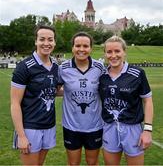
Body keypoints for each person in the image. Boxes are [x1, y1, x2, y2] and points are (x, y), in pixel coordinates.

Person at [99, 35, 153, 165]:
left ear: (124, 52)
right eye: (109, 52)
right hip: (109, 127)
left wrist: (147, 130)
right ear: (105, 54)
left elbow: (148, 101)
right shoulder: (101, 77)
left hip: (132, 129)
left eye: (117, 51)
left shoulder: (137, 73)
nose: (113, 55)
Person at [10, 25, 60, 165]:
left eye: (50, 39)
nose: (46, 43)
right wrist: (21, 135)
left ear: (54, 42)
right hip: (30, 127)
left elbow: (52, 91)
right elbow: (15, 103)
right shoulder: (24, 67)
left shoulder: (55, 66)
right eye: (42, 39)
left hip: (49, 125)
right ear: (35, 41)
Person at [58, 32, 104, 165]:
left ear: (91, 48)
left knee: (92, 163)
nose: (81, 49)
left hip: (94, 126)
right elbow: (55, 90)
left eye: (85, 46)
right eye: (78, 45)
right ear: (72, 47)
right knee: (73, 164)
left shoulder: (99, 68)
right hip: (71, 126)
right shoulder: (63, 68)